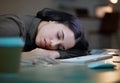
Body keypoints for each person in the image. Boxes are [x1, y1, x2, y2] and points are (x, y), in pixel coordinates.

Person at [0, 8, 89, 64]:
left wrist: (55, 53)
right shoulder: (12, 27)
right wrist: (26, 56)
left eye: (59, 46)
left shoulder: (39, 38)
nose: (52, 44)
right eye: (58, 35)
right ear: (53, 20)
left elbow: (82, 51)